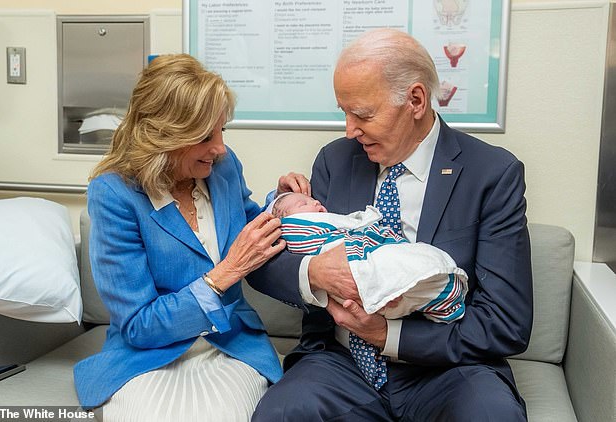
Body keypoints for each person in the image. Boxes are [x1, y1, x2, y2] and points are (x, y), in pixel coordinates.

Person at [249, 28, 533, 421]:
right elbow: (266, 263)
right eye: (344, 113)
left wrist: (387, 335)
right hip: (343, 364)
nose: (349, 130)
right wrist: (313, 270)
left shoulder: (491, 173)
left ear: (415, 100)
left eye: (362, 114)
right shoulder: (335, 161)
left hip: (447, 368)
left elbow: (507, 322)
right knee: (281, 413)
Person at [73, 54, 307, 421]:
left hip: (230, 344)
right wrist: (221, 277)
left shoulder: (222, 168)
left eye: (221, 131)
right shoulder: (114, 195)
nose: (220, 148)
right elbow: (138, 325)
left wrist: (280, 203)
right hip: (147, 356)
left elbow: (246, 227)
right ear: (162, 136)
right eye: (203, 137)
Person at [269, 191, 468, 321]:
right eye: (304, 203)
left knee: (415, 259)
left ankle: (438, 285)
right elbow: (261, 254)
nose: (316, 201)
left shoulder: (489, 171)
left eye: (312, 200)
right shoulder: (331, 162)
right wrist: (312, 271)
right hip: (335, 350)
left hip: (427, 346)